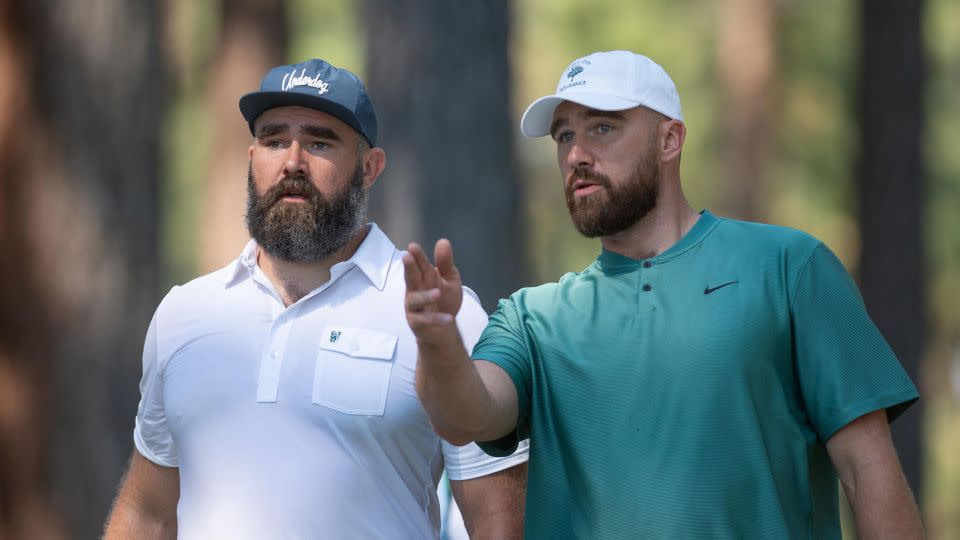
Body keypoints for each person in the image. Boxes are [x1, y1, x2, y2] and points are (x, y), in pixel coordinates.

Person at [403, 50, 923, 539]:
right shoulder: (533, 319)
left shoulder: (789, 268)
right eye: (564, 136)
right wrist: (436, 340)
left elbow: (866, 468)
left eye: (602, 127)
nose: (577, 154)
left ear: (669, 141)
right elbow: (465, 415)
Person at [104, 58, 528, 539]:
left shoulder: (437, 316)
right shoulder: (185, 314)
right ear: (251, 157)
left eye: (320, 142)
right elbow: (148, 514)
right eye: (275, 140)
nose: (292, 162)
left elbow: (498, 524)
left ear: (369, 168)